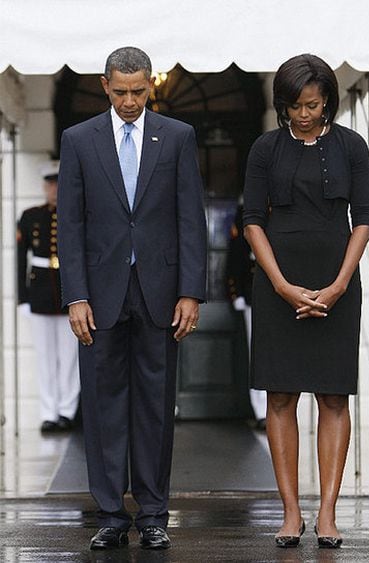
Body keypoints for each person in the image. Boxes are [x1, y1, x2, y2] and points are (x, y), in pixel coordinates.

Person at [57, 46, 207, 551]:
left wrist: (191, 291)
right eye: (120, 92)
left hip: (161, 294)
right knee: (101, 407)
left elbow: (192, 217)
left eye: (138, 91)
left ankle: (153, 513)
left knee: (155, 408)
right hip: (97, 297)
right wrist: (74, 295)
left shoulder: (179, 138)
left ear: (152, 86)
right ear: (105, 86)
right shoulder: (78, 139)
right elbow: (70, 224)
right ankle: (110, 515)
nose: (129, 101)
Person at [243, 54, 369, 549]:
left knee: (334, 395)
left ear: (328, 103)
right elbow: (252, 218)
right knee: (280, 395)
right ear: (283, 105)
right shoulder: (264, 148)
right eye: (295, 105)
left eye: (313, 105)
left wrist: (340, 284)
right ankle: (291, 513)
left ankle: (328, 514)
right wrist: (278, 283)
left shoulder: (351, 147)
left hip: (337, 283)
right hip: (278, 285)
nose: (303, 114)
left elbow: (363, 218)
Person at [17, 161, 80, 433]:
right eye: (50, 184)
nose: (54, 189)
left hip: (67, 292)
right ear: (44, 186)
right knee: (44, 357)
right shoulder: (30, 215)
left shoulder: (74, 214)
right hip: (40, 291)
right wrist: (22, 298)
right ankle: (48, 412)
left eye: (58, 183)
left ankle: (67, 411)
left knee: (69, 357)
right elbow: (21, 260)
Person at [227, 198, 267, 428]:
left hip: (281, 294)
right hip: (252, 292)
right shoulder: (244, 210)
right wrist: (236, 291)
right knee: (257, 351)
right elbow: (237, 253)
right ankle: (261, 410)